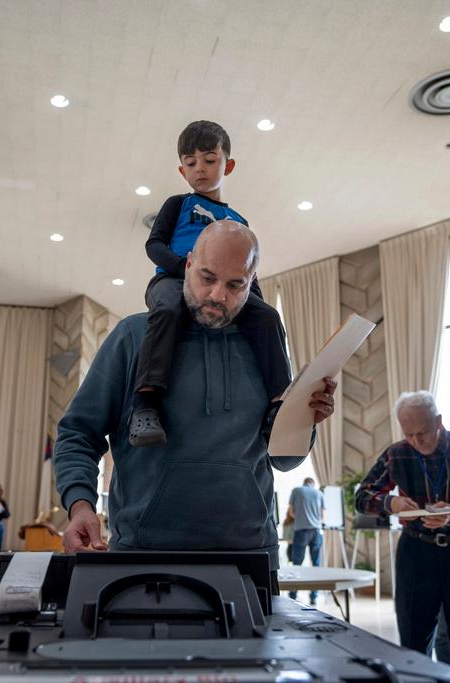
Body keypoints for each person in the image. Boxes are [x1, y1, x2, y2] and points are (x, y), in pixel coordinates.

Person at [55, 221, 337, 569]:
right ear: (187, 265)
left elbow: (284, 460)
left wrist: (303, 421)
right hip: (144, 555)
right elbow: (78, 433)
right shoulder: (133, 336)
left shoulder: (267, 348)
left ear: (252, 283)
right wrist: (80, 504)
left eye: (236, 285)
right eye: (207, 277)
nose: (219, 295)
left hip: (251, 558)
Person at [130, 120, 290, 447]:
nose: (199, 169)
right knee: (168, 309)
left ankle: (279, 403)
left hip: (224, 288)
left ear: (227, 165)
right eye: (191, 163)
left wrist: (253, 302)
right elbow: (154, 245)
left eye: (209, 160)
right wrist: (184, 269)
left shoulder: (239, 222)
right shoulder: (178, 205)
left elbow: (249, 273)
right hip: (173, 281)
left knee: (269, 317)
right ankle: (146, 402)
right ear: (181, 170)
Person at [355, 391, 450, 683]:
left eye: (424, 432)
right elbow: (362, 496)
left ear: (439, 422)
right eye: (410, 434)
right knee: (413, 643)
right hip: (416, 552)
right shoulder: (397, 453)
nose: (418, 442)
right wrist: (390, 503)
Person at [287, 477, 325, 604]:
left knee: (297, 564)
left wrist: (302, 518)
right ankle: (314, 597)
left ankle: (293, 595)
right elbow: (323, 516)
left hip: (301, 531)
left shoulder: (296, 490)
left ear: (303, 483)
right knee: (316, 565)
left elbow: (291, 512)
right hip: (316, 531)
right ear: (313, 484)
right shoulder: (319, 493)